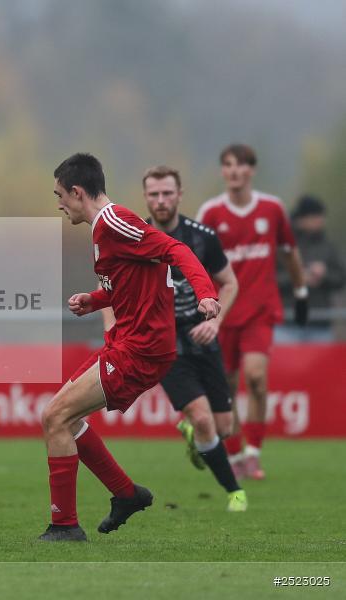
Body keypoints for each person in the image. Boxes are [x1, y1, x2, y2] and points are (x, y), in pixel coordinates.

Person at [40, 154, 220, 542]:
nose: (59, 204)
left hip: (141, 349)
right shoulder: (104, 229)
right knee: (63, 419)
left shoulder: (115, 221)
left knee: (54, 417)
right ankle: (125, 494)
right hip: (130, 343)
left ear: (77, 191)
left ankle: (65, 526)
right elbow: (132, 283)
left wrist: (206, 294)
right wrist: (94, 300)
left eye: (60, 196)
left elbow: (177, 250)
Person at [196, 144, 308, 480]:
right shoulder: (211, 213)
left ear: (251, 171)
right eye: (227, 165)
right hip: (223, 312)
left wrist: (301, 293)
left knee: (256, 378)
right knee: (227, 386)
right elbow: (193, 261)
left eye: (240, 165)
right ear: (222, 171)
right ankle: (235, 454)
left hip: (260, 308)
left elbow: (290, 252)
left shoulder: (272, 208)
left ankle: (254, 453)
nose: (234, 171)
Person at [139, 165, 246, 511]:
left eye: (167, 193)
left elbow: (230, 283)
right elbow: (106, 285)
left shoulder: (202, 236)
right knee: (203, 420)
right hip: (164, 340)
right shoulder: (134, 238)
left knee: (222, 427)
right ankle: (235, 492)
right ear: (146, 197)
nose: (161, 200)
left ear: (180, 195)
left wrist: (215, 324)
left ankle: (194, 434)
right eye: (154, 194)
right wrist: (112, 329)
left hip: (203, 337)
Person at [275, 195, 345, 343]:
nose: (320, 220)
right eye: (316, 216)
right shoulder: (282, 246)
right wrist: (297, 278)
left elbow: (340, 278)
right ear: (302, 218)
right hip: (287, 324)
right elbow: (269, 280)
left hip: (320, 323)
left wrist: (324, 275)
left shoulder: (328, 246)